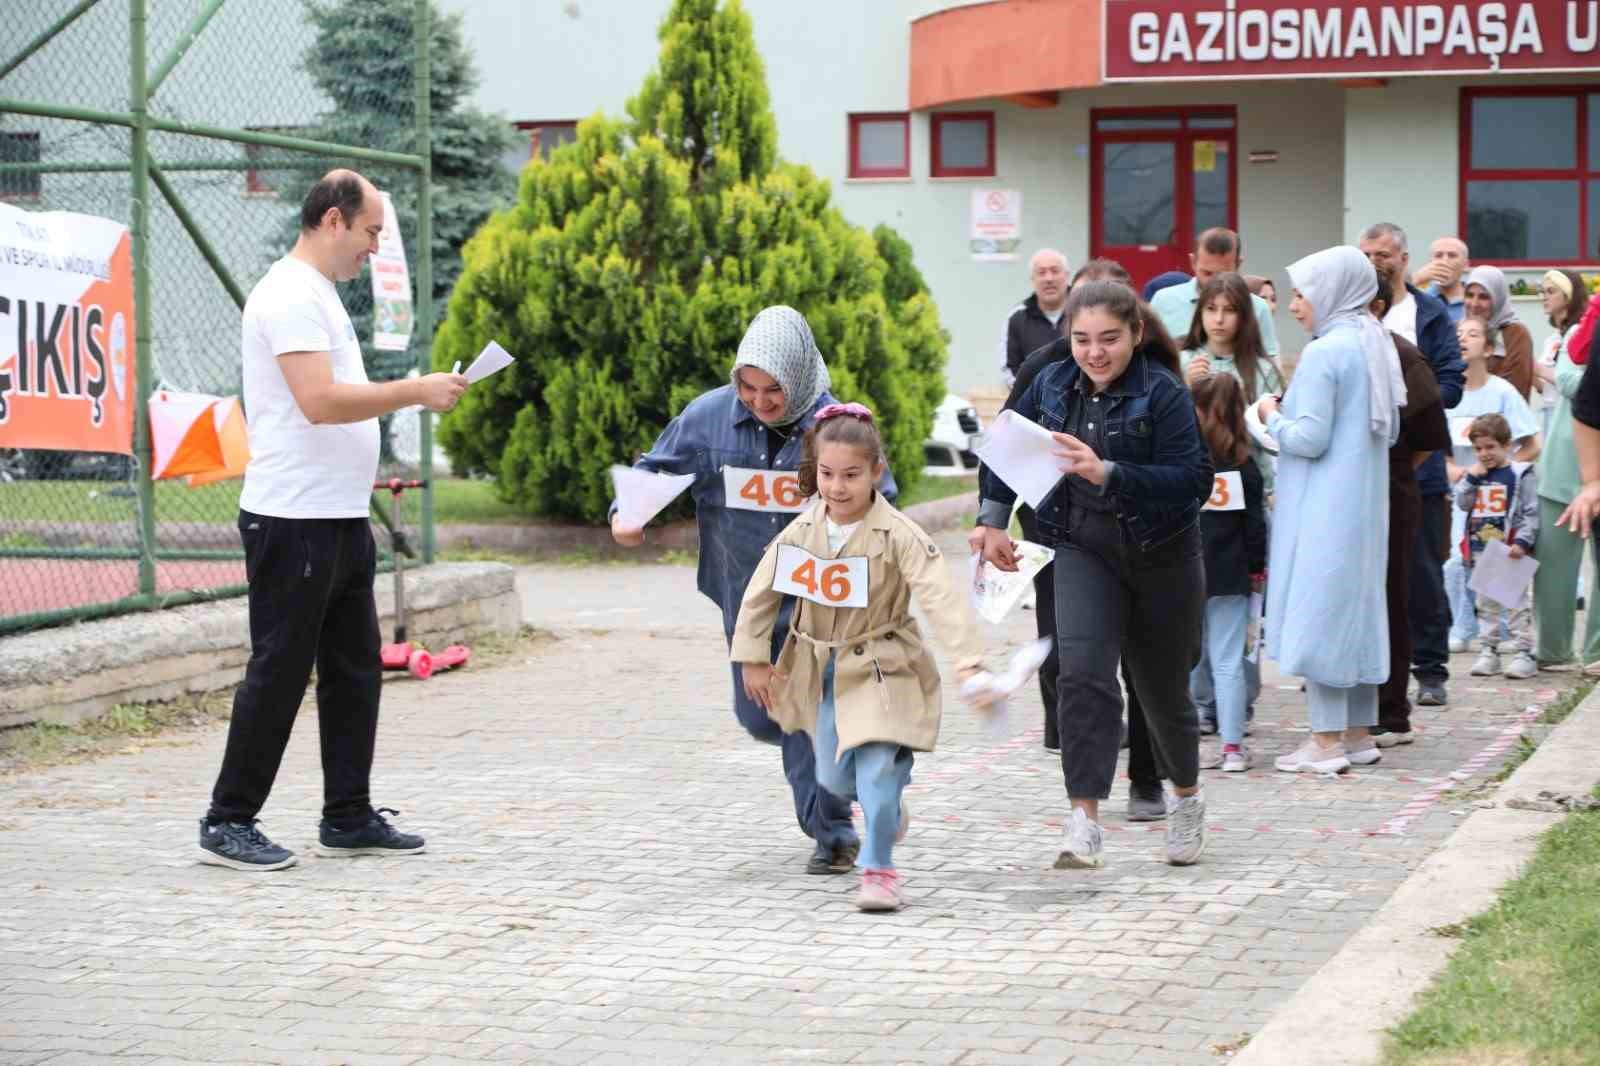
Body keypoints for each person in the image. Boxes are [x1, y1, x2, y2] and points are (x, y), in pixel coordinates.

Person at [197, 170, 468, 871]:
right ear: (333, 220)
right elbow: (318, 401)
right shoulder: (288, 294)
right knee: (280, 671)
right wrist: (415, 391)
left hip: (341, 517)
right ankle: (228, 821)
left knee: (354, 671)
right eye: (370, 232)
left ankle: (347, 815)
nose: (374, 248)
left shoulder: (319, 294)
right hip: (293, 519)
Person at [611, 306, 894, 875]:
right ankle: (841, 764)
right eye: (748, 387)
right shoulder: (708, 418)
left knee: (804, 710)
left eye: (774, 390)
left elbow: (883, 499)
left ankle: (833, 834)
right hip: (746, 598)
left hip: (820, 602)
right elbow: (654, 469)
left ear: (800, 376)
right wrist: (626, 514)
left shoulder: (835, 427)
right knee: (762, 716)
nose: (760, 401)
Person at [977, 281, 1213, 869]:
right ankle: (1083, 821)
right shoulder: (1051, 382)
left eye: (1109, 339)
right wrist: (991, 522)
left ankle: (1186, 797)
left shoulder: (1163, 391)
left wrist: (1109, 472)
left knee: (1162, 691)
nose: (1095, 352)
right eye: (1082, 339)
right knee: (1081, 676)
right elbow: (1009, 447)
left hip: (1162, 555)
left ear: (1136, 334)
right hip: (1082, 548)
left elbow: (1194, 480)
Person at [734, 404, 990, 911]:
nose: (837, 487)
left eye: (851, 475)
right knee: (832, 778)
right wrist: (752, 657)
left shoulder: (899, 534)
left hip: (883, 666)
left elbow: (939, 595)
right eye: (827, 474)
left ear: (876, 471)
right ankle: (887, 808)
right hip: (823, 671)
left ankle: (879, 870)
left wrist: (969, 662)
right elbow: (761, 593)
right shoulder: (801, 532)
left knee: (874, 769)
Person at [1259, 245, 1403, 774]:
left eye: (1303, 294)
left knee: (1320, 613)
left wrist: (1268, 417)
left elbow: (1309, 438)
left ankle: (1324, 742)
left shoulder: (1326, 352)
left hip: (1324, 506)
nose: (1296, 305)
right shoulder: (1373, 342)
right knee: (1356, 613)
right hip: (1364, 507)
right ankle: (1359, 734)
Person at [1359, 222, 1465, 709]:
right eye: (1366, 254)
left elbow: (1451, 382)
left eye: (1383, 254)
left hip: (1418, 461)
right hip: (1361, 465)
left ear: (1404, 259)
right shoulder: (1349, 313)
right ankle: (1363, 670)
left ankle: (1430, 668)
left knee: (1421, 571)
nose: (1375, 262)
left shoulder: (1429, 312)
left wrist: (1408, 406)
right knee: (1365, 574)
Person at [1178, 271, 1281, 734]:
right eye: (1211, 309)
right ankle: (1201, 701)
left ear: (1246, 317)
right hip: (1196, 498)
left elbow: (1271, 437)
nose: (1219, 320)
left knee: (1241, 611)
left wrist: (1273, 489)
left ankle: (1240, 700)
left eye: (1230, 311)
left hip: (1249, 496)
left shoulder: (1262, 369)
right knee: (1195, 610)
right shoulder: (1183, 360)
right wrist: (1186, 386)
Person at [1371, 287, 1452, 749]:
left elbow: (1427, 435)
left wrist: (1391, 470)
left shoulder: (1403, 357)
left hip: (1393, 495)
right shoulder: (1329, 351)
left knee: (1394, 594)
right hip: (1348, 501)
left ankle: (1390, 709)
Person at [1441, 316, 1541, 658]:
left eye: (1472, 334)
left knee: (1501, 560)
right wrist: (1456, 471)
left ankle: (1509, 636)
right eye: (1458, 334)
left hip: (1499, 497)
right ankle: (1463, 628)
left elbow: (1532, 444)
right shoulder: (1447, 391)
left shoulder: (1502, 392)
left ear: (1487, 348)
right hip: (1465, 493)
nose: (1462, 339)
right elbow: (1435, 448)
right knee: (1459, 561)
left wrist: (1503, 471)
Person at [1189, 374, 1266, 771]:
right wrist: (1257, 568)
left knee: (1187, 658)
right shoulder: (1245, 467)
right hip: (1231, 575)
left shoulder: (1184, 461)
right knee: (1228, 660)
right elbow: (1255, 527)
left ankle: (1186, 747)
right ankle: (1233, 748)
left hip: (1184, 571)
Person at [1532, 272, 1600, 670]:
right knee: (1554, 564)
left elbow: (1571, 380)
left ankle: (1597, 652)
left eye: (1551, 291)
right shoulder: (1575, 335)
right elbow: (1571, 381)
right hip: (1563, 464)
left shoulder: (1576, 334)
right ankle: (1553, 650)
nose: (1544, 297)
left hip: (1594, 462)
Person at [1453, 414, 1540, 679]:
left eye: (1490, 447)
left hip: (1510, 548)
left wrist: (1523, 541)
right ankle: (1488, 651)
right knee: (1486, 604)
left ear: (1507, 445)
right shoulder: (1477, 475)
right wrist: (1470, 479)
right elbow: (1463, 503)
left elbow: (1531, 511)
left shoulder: (1519, 474)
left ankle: (1524, 652)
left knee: (1516, 604)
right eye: (1478, 449)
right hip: (1482, 548)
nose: (1484, 454)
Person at [1149, 228, 1280, 359]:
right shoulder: (1163, 301)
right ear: (1193, 262)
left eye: (1223, 274)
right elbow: (1148, 357)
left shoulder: (1258, 308)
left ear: (1238, 265)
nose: (1214, 281)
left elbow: (1269, 362)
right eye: (1207, 273)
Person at [1464, 265, 1535, 401]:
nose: (1474, 304)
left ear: (1498, 298)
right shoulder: (1460, 331)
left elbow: (1515, 391)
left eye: (1484, 297)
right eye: (1469, 295)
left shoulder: (1516, 333)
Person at [1001, 249, 1070, 389]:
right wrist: (1030, 396)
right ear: (1032, 279)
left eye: (1055, 271)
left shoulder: (1084, 311)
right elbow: (1009, 369)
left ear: (1067, 275)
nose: (1049, 278)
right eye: (1041, 272)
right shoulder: (1017, 318)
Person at [1411, 236, 1470, 323]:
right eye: (1438, 256)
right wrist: (1416, 279)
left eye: (1452, 255)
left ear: (1465, 265)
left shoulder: (1475, 300)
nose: (1444, 261)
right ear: (1430, 263)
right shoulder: (1419, 298)